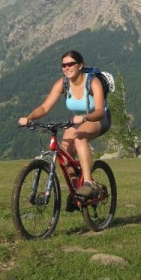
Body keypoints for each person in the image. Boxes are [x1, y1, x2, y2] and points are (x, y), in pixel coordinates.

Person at [18, 50, 111, 197]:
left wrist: (85, 117)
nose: (66, 67)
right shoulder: (63, 83)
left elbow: (99, 111)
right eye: (63, 65)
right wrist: (29, 118)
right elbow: (45, 107)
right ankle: (76, 191)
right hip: (79, 121)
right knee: (65, 149)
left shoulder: (93, 82)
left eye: (70, 64)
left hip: (99, 118)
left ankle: (88, 183)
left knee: (79, 137)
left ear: (80, 65)